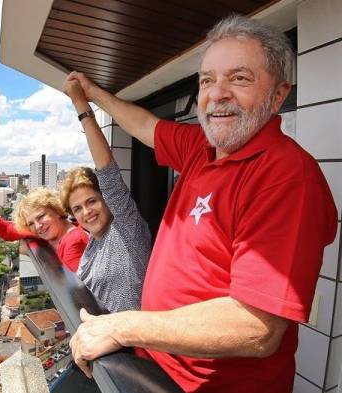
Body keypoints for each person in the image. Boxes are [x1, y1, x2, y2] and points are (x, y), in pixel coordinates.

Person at [66, 14, 338, 393]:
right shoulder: (201, 147)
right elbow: (143, 124)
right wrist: (92, 94)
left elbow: (256, 328)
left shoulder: (288, 176)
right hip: (154, 367)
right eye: (207, 80)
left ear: (278, 96)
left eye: (239, 78)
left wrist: (122, 325)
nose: (218, 93)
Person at [60, 80, 151, 313]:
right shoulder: (91, 246)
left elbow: (107, 171)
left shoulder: (126, 230)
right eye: (78, 208)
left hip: (136, 346)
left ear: (106, 199)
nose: (87, 212)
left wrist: (80, 104)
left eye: (91, 201)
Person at [0, 175, 87, 272]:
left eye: (41, 216)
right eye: (31, 224)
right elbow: (6, 230)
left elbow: (83, 294)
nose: (38, 226)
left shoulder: (74, 241)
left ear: (56, 210)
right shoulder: (47, 230)